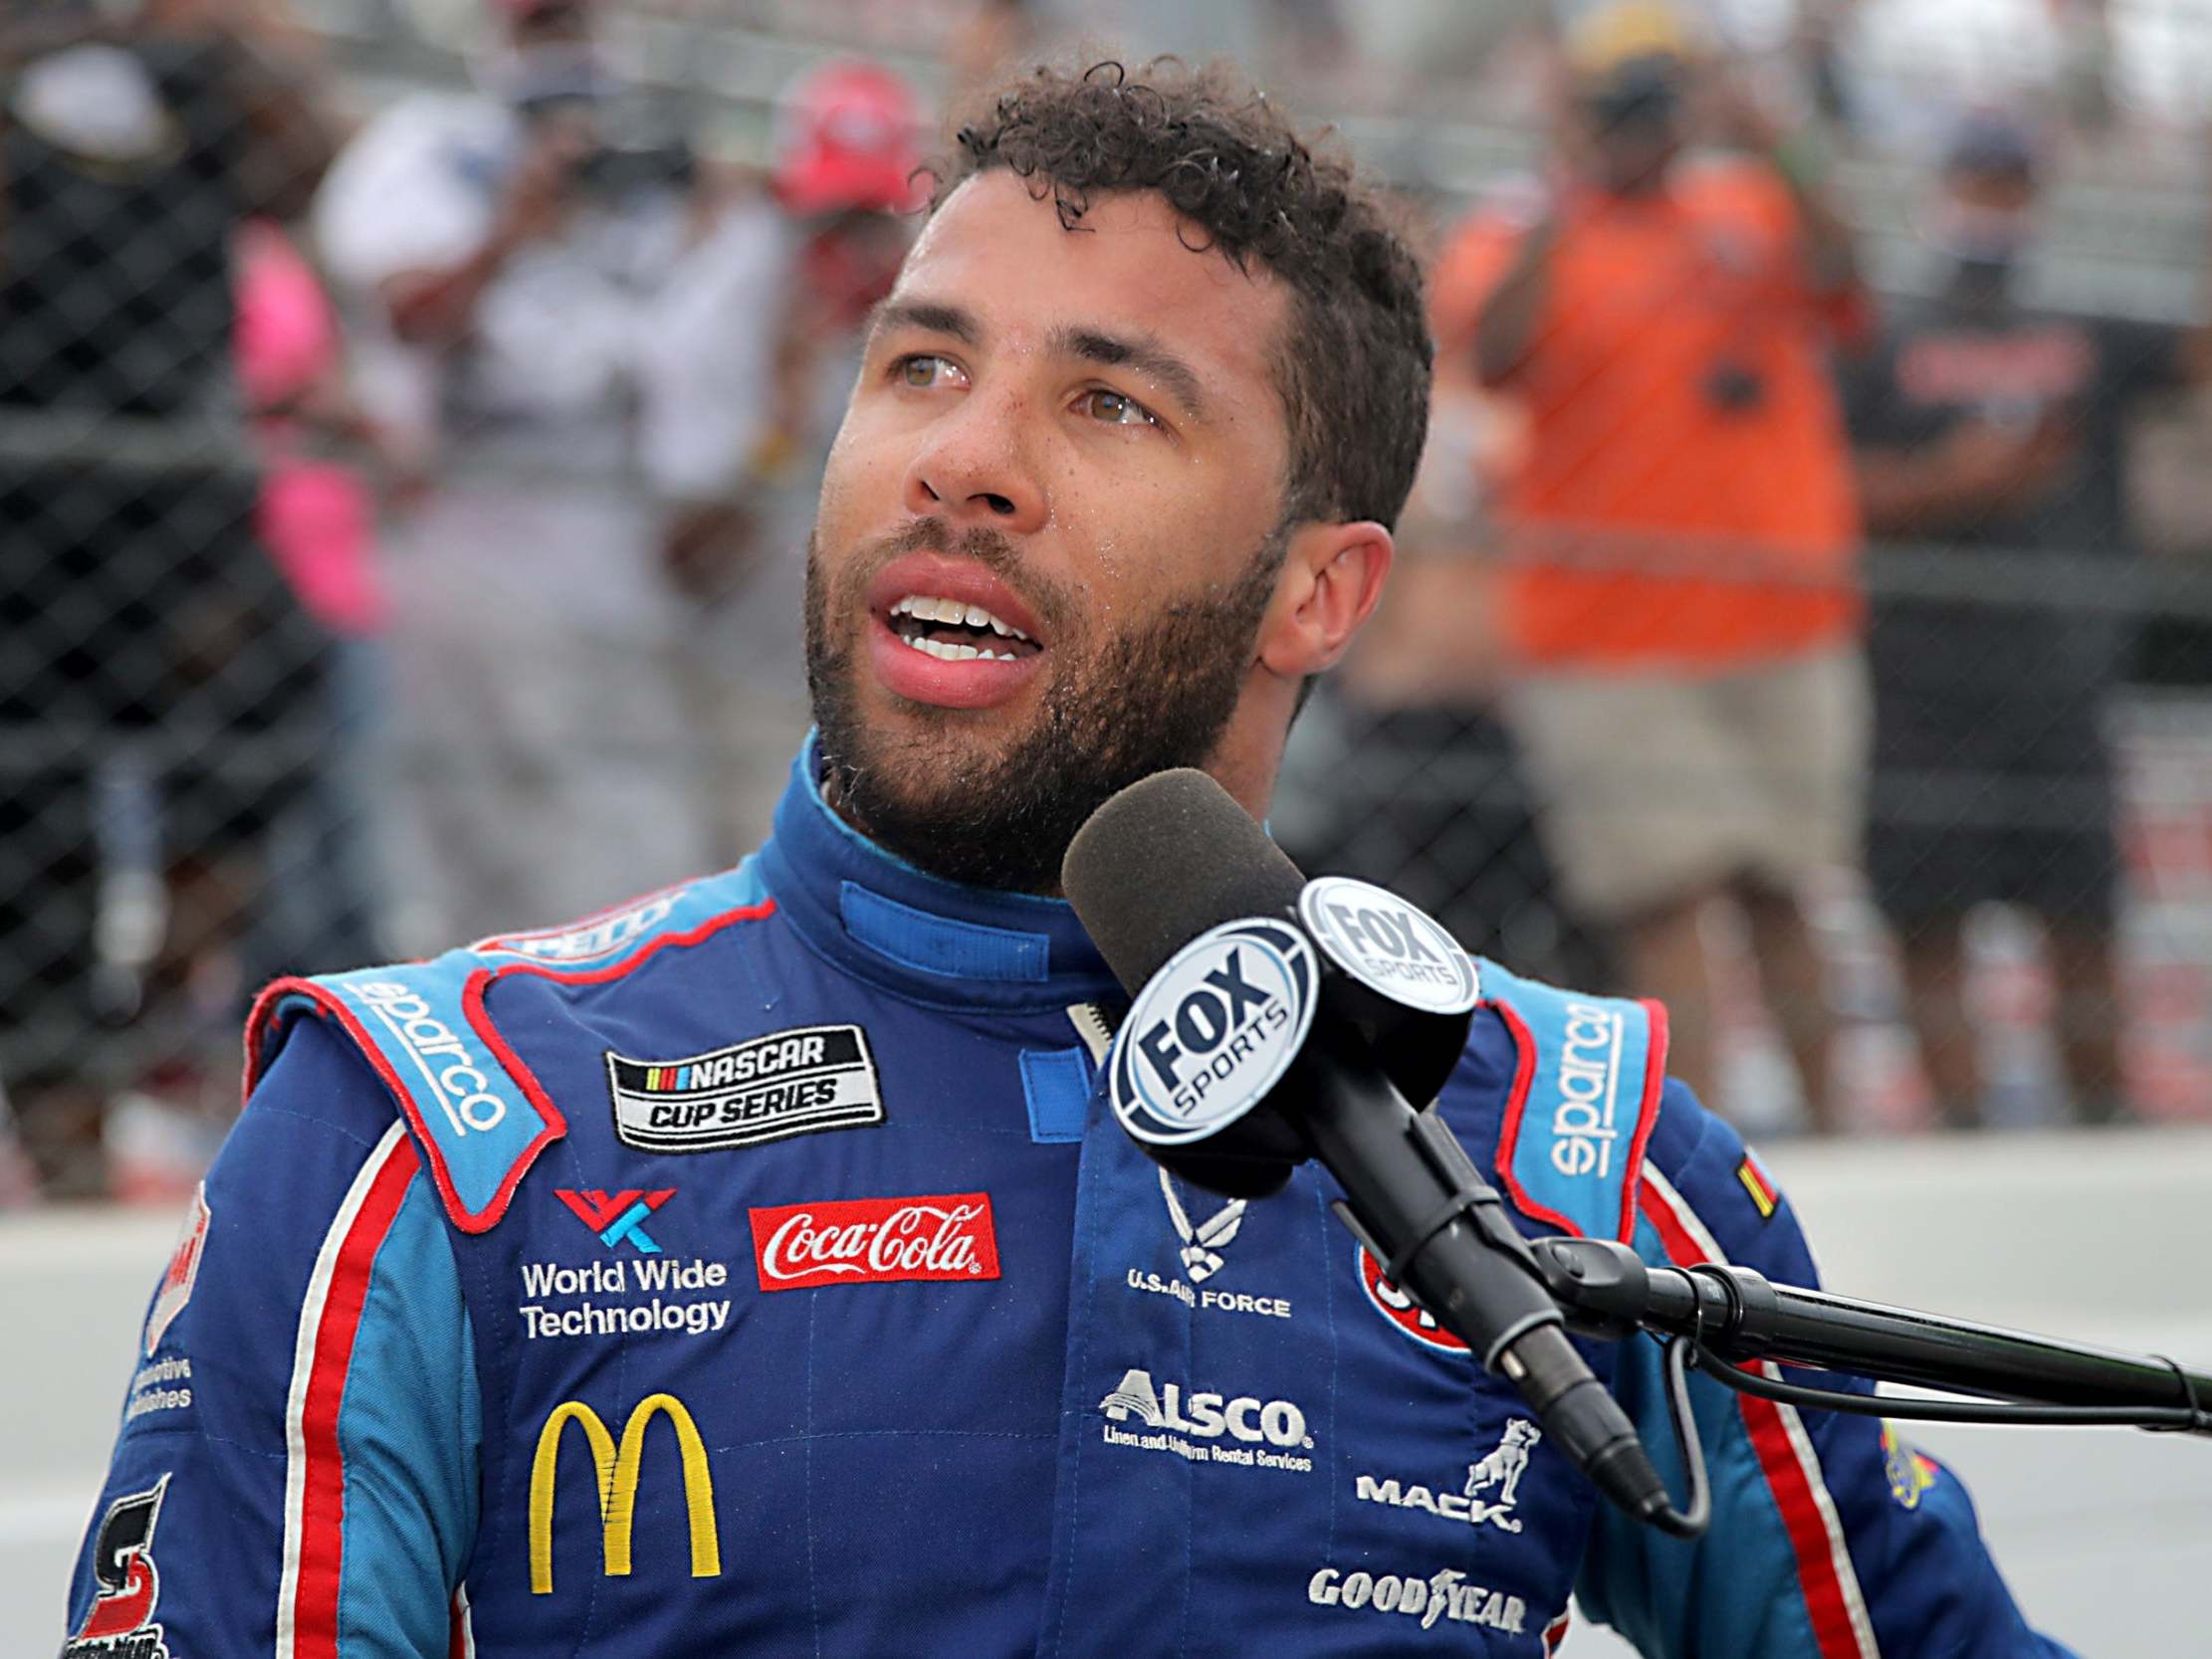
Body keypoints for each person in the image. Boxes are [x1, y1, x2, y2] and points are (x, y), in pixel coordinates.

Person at [67, 59, 2074, 1659]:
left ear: (1319, 589)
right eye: (919, 364)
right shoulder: (430, 1126)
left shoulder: (1576, 1154)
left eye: (1107, 401)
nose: (963, 453)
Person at [311, 0, 906, 945]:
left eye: (579, 22)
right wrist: (515, 221)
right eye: (545, 24)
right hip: (473, 514)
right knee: (461, 847)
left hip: (615, 541)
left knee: (630, 852)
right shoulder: (430, 150)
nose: (570, 50)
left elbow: (693, 395)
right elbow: (407, 310)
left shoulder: (677, 186)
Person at [1444, 1, 1871, 1133]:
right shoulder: (1521, 223)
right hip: (1606, 639)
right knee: (1661, 909)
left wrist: (1772, 128)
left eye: (1661, 94)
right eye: (1626, 97)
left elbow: (1844, 276)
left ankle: (1833, 1142)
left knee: (1789, 894)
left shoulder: (1750, 201)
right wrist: (1568, 177)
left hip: (1781, 619)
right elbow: (1492, 349)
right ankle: (1703, 1168)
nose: (1650, 121)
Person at [0, 0, 339, 1195]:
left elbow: (307, 163)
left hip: (172, 496)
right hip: (23, 497)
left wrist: (233, 29)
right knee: (34, 834)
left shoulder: (178, 68)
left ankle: (143, 1008)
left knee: (276, 702)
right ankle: (67, 1140)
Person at [1845, 111, 2212, 1129]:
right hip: (1916, 681)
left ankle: (2103, 1122)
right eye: (1978, 182)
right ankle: (1957, 1136)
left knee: (2084, 928)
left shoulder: (2084, 328)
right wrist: (1946, 483)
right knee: (1926, 929)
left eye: (2011, 186)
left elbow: (2194, 354)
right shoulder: (1882, 328)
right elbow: (1818, 491)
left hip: (2059, 683)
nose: (1992, 205)